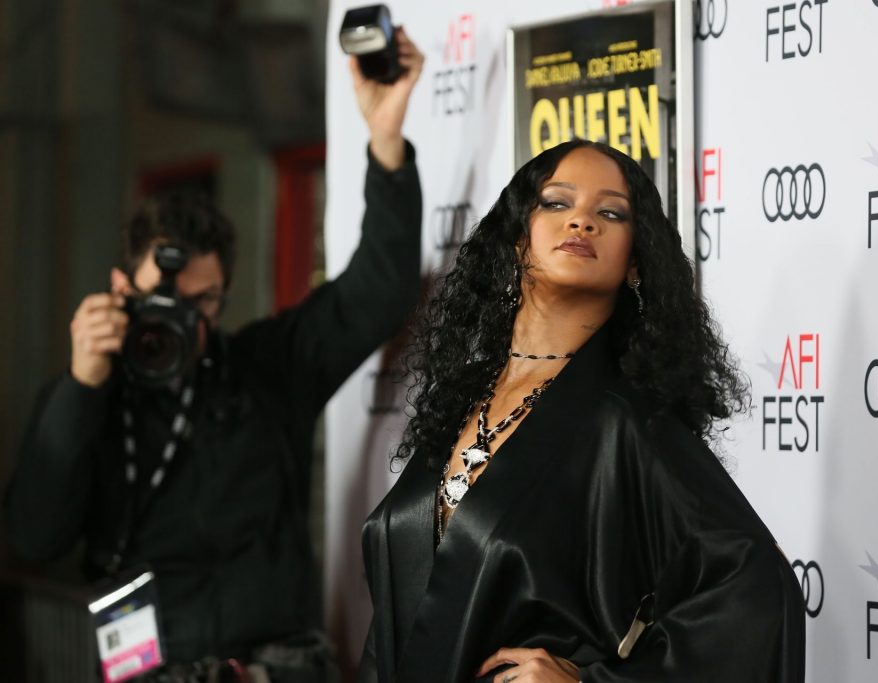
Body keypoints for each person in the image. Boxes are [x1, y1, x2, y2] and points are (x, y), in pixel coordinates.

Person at [4, 29, 425, 682]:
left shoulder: (265, 367)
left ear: (224, 297)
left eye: (201, 302)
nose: (179, 319)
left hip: (274, 666)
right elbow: (34, 537)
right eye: (161, 299)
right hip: (153, 669)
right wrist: (81, 383)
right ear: (120, 288)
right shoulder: (93, 396)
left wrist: (386, 139)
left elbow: (378, 291)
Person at [356, 140, 806, 683]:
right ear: (517, 236)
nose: (582, 222)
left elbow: (758, 588)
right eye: (556, 203)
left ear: (635, 260)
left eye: (610, 213)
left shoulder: (624, 419)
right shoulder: (464, 397)